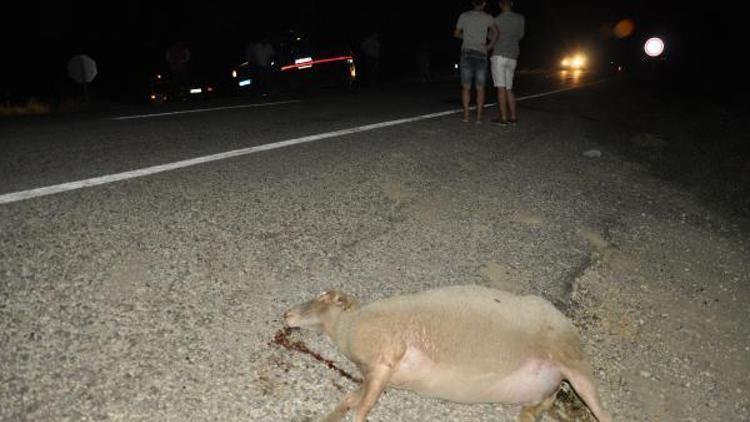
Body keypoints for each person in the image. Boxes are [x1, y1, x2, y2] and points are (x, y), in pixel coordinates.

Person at [454, 0, 498, 123]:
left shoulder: (464, 15)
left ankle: (466, 116)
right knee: (480, 87)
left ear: (472, 3)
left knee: (466, 87)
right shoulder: (488, 17)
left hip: (467, 52)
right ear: (484, 4)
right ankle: (479, 117)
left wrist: (467, 37)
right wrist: (490, 46)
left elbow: (456, 33)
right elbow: (496, 32)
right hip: (481, 53)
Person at [490, 0, 525, 125]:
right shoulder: (520, 18)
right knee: (509, 88)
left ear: (500, 4)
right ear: (512, 3)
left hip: (499, 55)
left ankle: (503, 118)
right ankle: (513, 117)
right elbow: (520, 35)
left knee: (501, 88)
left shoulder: (496, 20)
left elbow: (491, 37)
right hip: (513, 55)